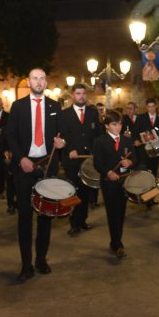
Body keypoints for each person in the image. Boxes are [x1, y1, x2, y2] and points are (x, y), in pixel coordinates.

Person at [6, 68, 66, 283]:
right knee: (25, 217)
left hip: (47, 168)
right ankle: (26, 264)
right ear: (29, 81)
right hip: (24, 168)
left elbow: (62, 135)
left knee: (46, 216)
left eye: (42, 78)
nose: (38, 82)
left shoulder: (54, 106)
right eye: (34, 78)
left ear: (46, 82)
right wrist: (21, 158)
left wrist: (62, 143)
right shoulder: (18, 106)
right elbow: (10, 136)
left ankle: (41, 260)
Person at [61, 84, 103, 236]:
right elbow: (63, 134)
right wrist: (69, 148)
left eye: (84, 93)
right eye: (78, 93)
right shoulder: (64, 114)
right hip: (71, 160)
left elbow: (99, 134)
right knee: (73, 191)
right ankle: (73, 223)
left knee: (85, 192)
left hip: (89, 160)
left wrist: (98, 152)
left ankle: (83, 220)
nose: (81, 96)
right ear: (72, 95)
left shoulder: (92, 113)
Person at [93, 110, 136, 258]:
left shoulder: (127, 140)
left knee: (121, 212)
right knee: (112, 213)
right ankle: (116, 243)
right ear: (106, 126)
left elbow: (135, 158)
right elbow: (97, 163)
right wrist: (108, 172)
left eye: (119, 124)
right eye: (114, 124)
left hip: (124, 181)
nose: (118, 127)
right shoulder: (100, 141)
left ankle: (117, 240)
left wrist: (129, 161)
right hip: (108, 183)